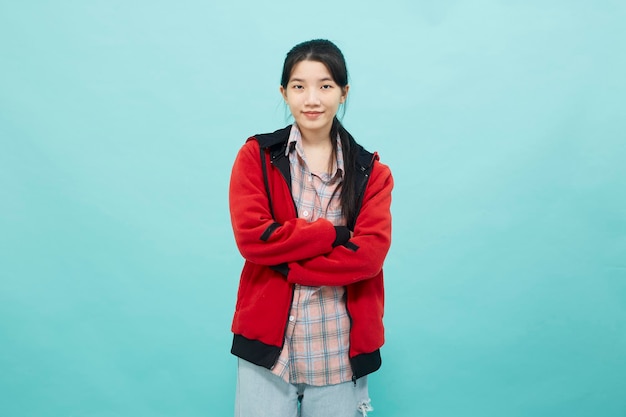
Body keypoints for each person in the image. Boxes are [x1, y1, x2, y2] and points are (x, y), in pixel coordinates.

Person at [228, 39, 393, 417]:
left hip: (339, 349)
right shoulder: (257, 157)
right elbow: (254, 238)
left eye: (325, 85)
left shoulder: (373, 173)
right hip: (268, 349)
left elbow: (367, 258)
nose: (312, 98)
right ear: (284, 93)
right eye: (299, 86)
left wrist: (287, 263)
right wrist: (333, 235)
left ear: (343, 92)